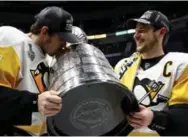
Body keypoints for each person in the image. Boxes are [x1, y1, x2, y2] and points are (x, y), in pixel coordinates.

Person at [0, 6, 81, 135]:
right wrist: (34, 102)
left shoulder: (47, 59)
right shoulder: (11, 40)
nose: (64, 45)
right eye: (61, 39)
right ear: (44, 32)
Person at [114, 10, 188, 136]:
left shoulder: (182, 64)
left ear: (161, 32)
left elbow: (184, 116)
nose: (136, 35)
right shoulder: (123, 65)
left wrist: (154, 118)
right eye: (136, 31)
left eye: (142, 30)